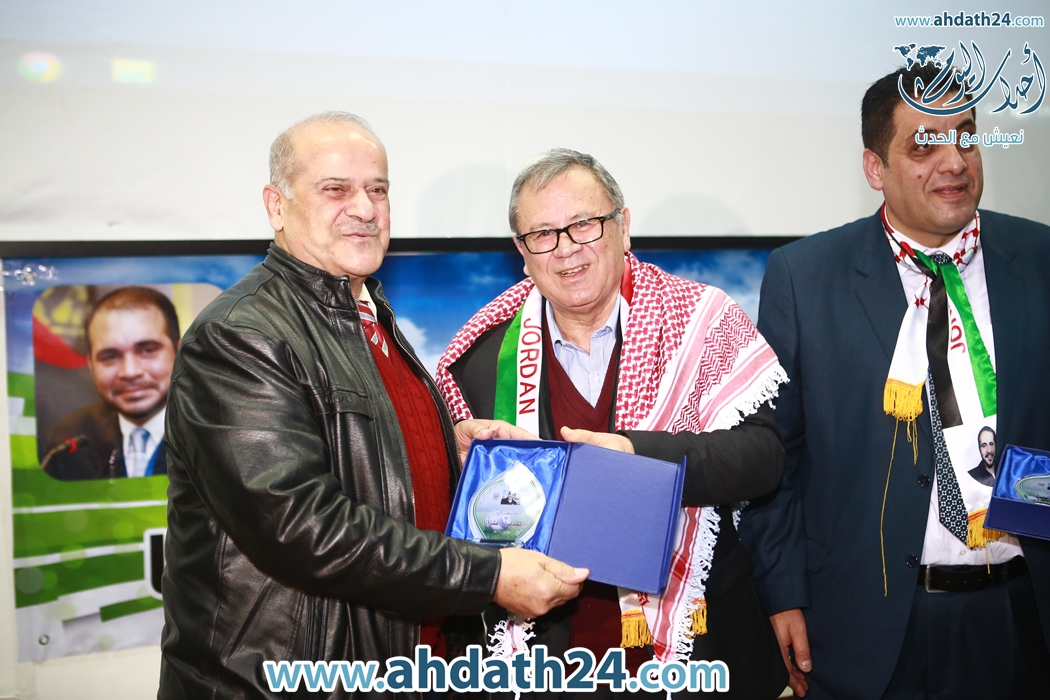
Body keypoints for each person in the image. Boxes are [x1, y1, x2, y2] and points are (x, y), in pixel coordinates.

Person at [159, 112, 587, 699]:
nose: (364, 208)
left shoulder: (366, 314)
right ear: (276, 206)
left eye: (378, 190)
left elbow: (353, 453)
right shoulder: (240, 334)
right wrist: (487, 575)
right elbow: (300, 526)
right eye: (336, 189)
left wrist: (442, 448)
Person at [739, 63, 1050, 699]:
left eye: (966, 137)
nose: (955, 162)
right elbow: (776, 458)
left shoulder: (1040, 258)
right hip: (866, 625)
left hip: (1022, 614)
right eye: (925, 145)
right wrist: (782, 592)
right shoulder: (805, 277)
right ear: (875, 168)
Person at [437, 148, 789, 699]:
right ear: (522, 253)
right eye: (543, 234)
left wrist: (638, 458)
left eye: (584, 224)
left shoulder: (701, 321)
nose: (566, 249)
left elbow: (763, 457)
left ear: (623, 227)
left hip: (699, 646)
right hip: (547, 658)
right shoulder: (478, 357)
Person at [41, 286, 178, 480]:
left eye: (147, 350)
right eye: (110, 356)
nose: (130, 372)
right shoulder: (68, 439)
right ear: (91, 366)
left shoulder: (215, 432)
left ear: (180, 353)